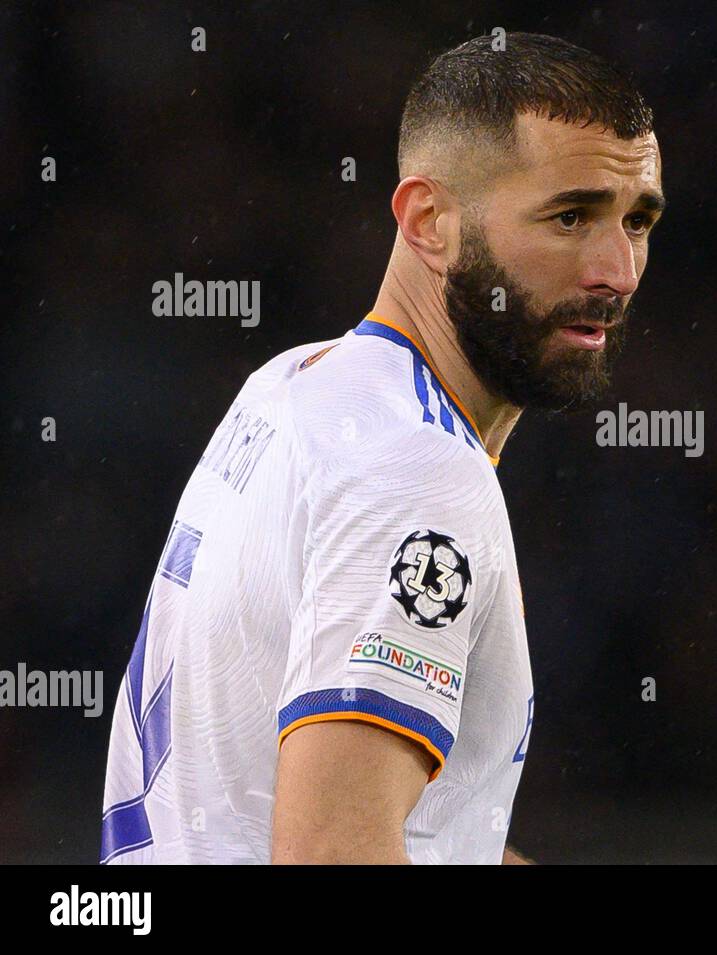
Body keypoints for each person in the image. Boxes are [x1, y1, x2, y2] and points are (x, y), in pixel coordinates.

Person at [99, 31, 666, 864]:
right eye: (570, 216)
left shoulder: (293, 386)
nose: (616, 269)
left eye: (638, 220)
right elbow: (335, 851)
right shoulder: (417, 469)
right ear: (429, 221)